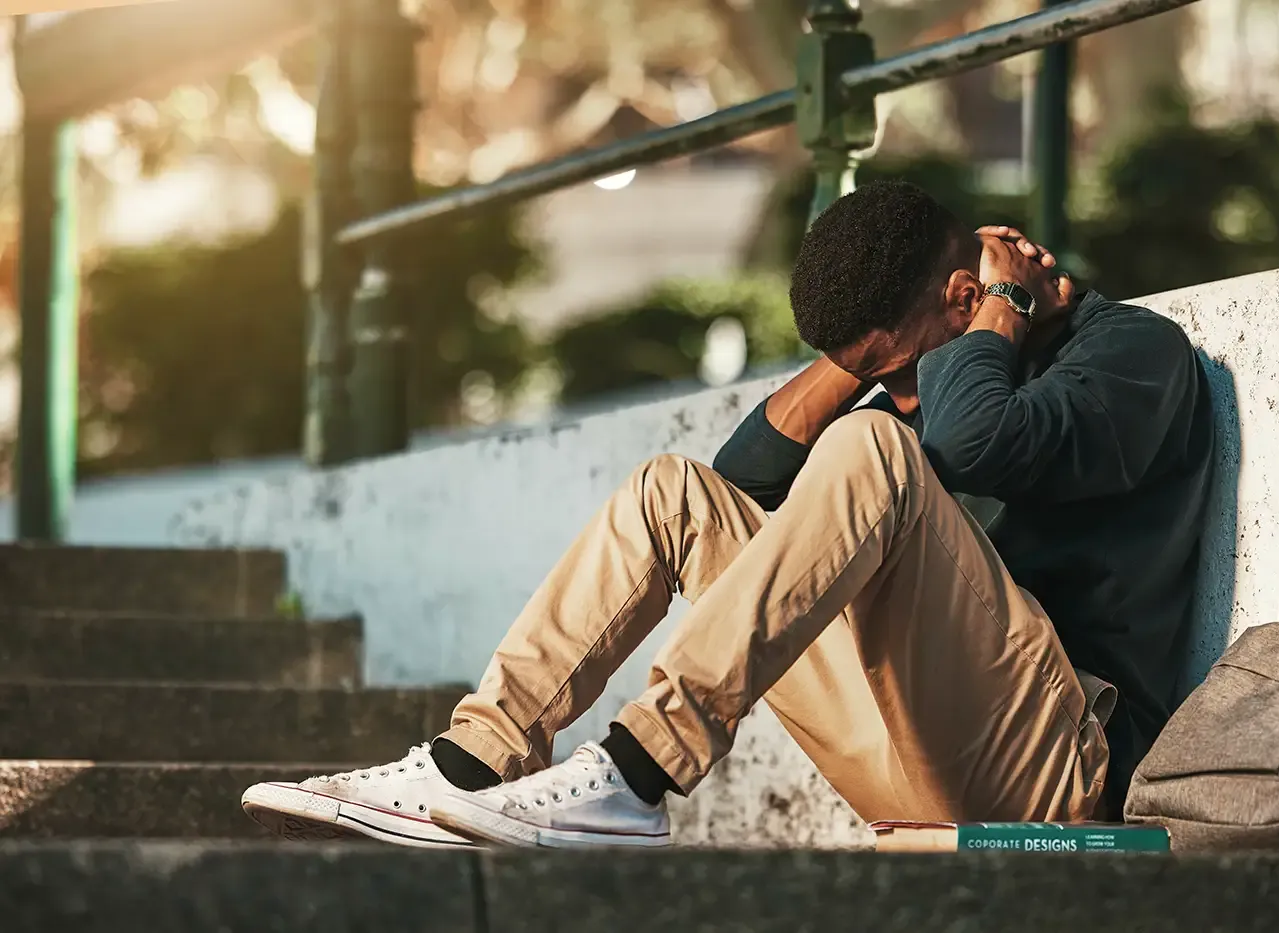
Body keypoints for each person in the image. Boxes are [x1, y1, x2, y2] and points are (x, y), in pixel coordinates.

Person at [242, 180, 1215, 849]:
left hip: (1061, 770)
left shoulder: (1129, 357)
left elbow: (974, 442)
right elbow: (740, 480)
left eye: (899, 366)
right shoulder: (940, 374)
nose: (895, 393)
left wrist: (992, 315)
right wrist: (859, 359)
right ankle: (468, 764)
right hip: (913, 754)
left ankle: (633, 775)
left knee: (867, 447)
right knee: (673, 493)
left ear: (966, 299)